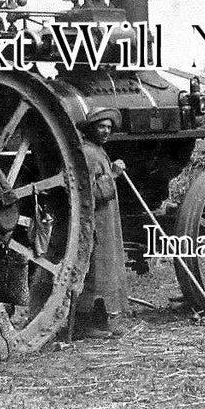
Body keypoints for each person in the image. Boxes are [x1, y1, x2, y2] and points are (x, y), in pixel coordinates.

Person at [73, 106, 129, 339]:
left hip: (106, 221)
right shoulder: (89, 153)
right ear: (91, 128)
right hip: (95, 223)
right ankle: (85, 325)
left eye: (109, 127)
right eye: (101, 127)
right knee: (95, 270)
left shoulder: (98, 151)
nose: (106, 131)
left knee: (104, 270)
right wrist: (113, 175)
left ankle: (101, 320)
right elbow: (88, 191)